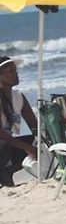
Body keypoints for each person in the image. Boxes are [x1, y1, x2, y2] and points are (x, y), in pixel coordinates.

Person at [0, 56, 38, 187]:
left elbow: (34, 125)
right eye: (10, 71)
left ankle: (7, 172)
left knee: (38, 142)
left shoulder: (18, 96)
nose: (15, 74)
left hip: (5, 144)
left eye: (15, 70)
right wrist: (28, 148)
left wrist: (41, 141)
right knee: (5, 145)